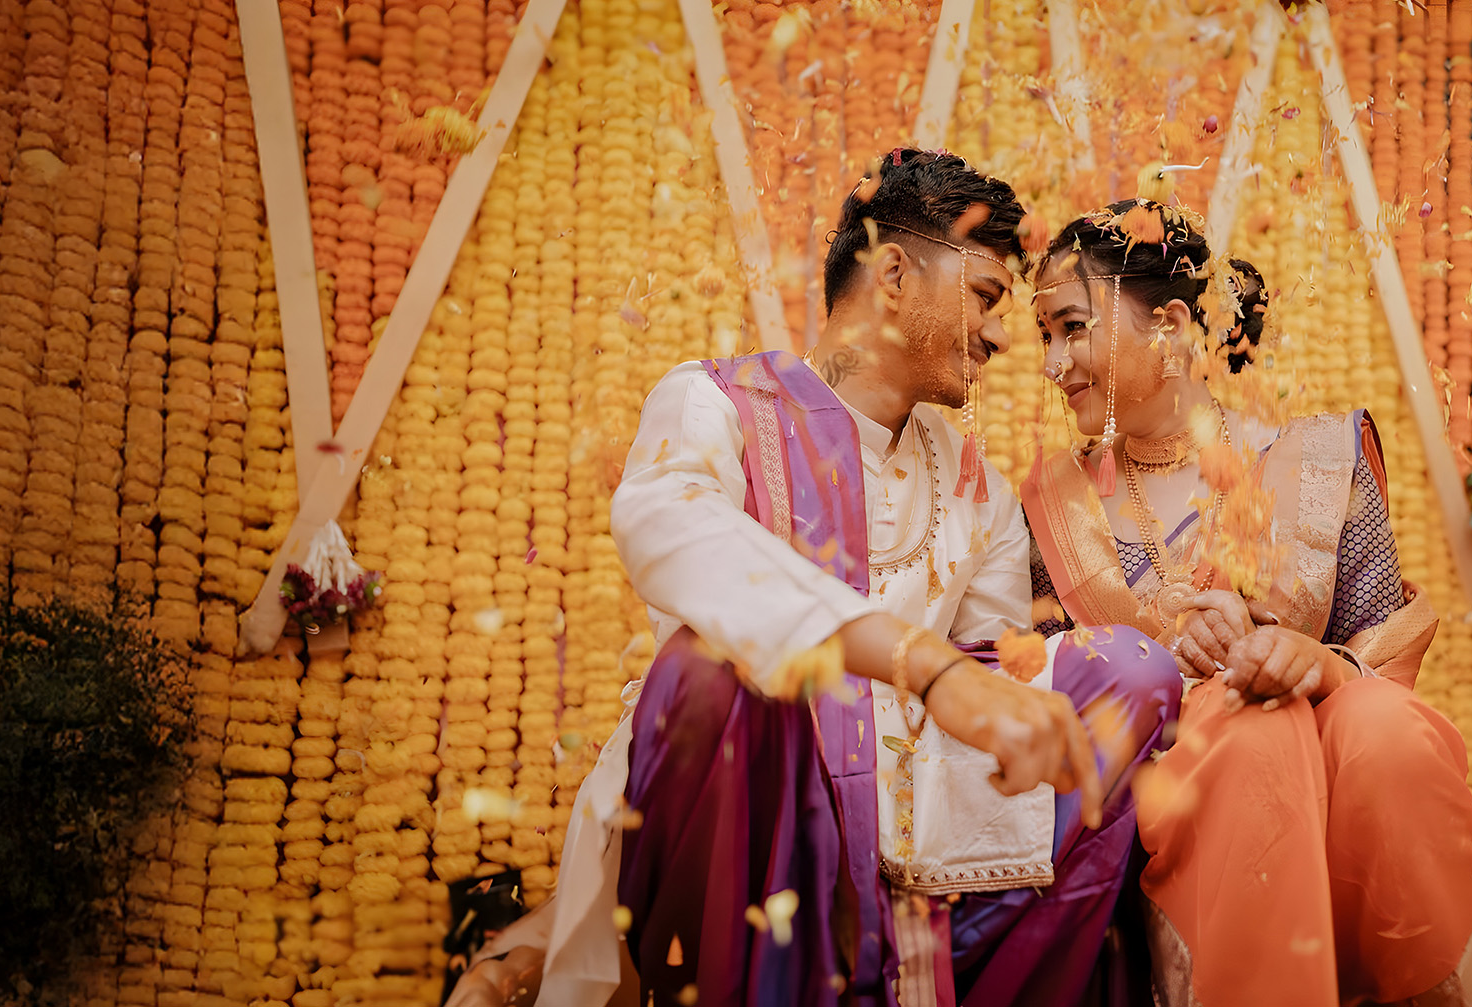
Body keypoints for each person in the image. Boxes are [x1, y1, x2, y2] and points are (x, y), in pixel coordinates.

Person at [450, 152, 1183, 1007]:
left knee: (1129, 673)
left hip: (910, 838)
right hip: (742, 821)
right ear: (897, 273)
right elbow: (677, 536)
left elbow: (991, 669)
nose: (999, 335)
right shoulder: (716, 404)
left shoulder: (972, 478)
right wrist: (927, 667)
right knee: (712, 668)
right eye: (985, 296)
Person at [1020, 199, 1472, 1007]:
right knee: (1250, 738)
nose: (1054, 363)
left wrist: (1319, 664)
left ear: (1170, 324)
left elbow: (1383, 661)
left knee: (1383, 729)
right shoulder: (1055, 505)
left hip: (1347, 784)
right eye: (1045, 337)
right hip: (1165, 801)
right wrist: (1173, 665)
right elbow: (1051, 692)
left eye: (1071, 328)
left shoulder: (1318, 459)